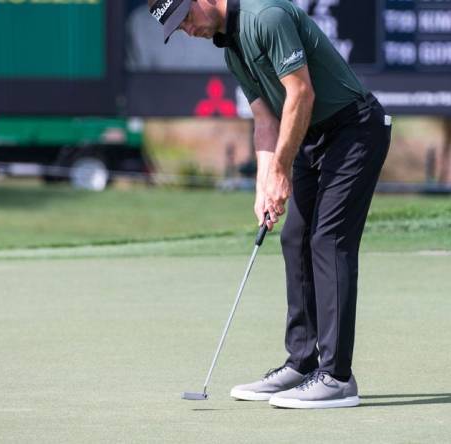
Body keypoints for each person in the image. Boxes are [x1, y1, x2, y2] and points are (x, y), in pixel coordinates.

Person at [148, 0, 391, 409]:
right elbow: (265, 118)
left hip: (354, 130)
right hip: (312, 138)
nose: (188, 29)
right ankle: (301, 362)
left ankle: (336, 377)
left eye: (187, 18)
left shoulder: (267, 17)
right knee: (294, 238)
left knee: (328, 241)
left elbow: (301, 92)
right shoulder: (232, 48)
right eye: (178, 27)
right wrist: (265, 184)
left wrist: (281, 168)